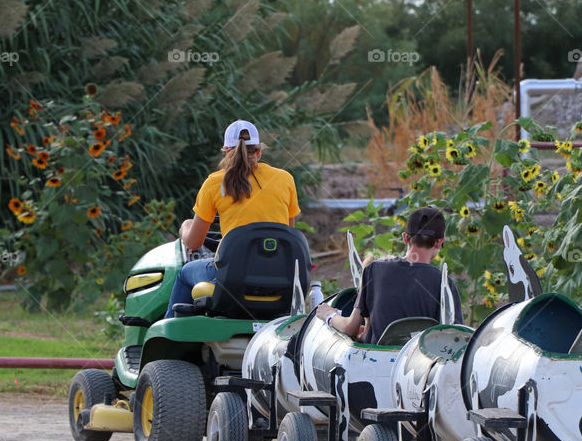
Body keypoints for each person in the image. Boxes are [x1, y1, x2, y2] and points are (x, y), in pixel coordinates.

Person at [164, 120, 300, 318]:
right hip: (279, 275)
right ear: (259, 151)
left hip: (232, 277)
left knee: (185, 273)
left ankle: (171, 341)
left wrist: (186, 227)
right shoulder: (285, 179)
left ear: (226, 152)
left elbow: (194, 242)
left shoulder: (214, 183)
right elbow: (289, 235)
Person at [317, 206, 463, 343]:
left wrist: (328, 314)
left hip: (376, 362)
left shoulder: (374, 270)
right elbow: (454, 338)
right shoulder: (444, 283)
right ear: (439, 243)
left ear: (405, 238)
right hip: (418, 365)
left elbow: (350, 328)